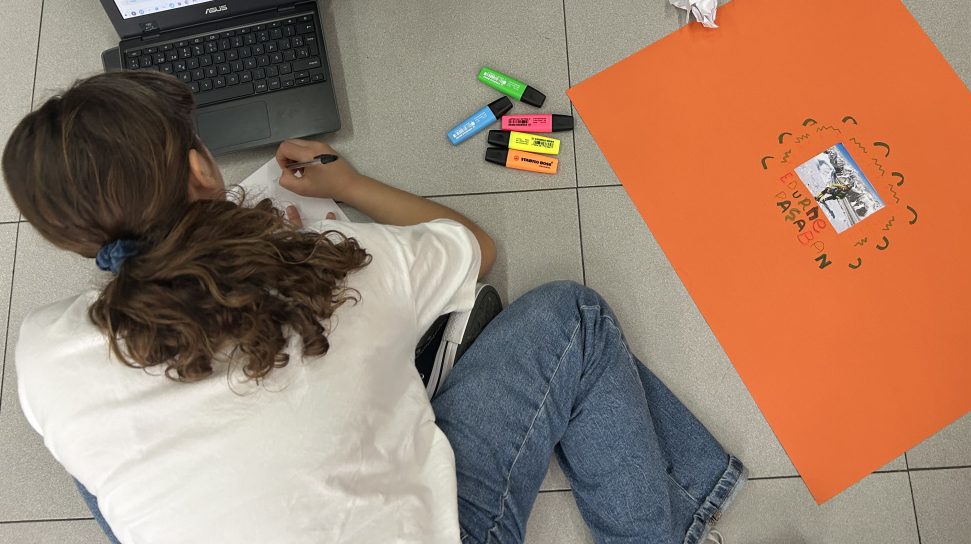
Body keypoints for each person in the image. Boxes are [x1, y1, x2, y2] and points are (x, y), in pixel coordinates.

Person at [2, 72, 745, 544]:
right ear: (201, 167)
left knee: (96, 467)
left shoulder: (39, 353)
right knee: (571, 317)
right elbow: (476, 248)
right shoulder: (334, 273)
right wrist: (347, 190)